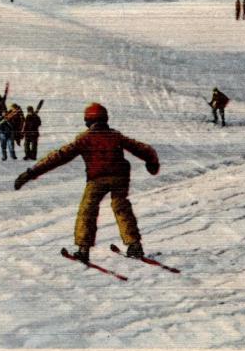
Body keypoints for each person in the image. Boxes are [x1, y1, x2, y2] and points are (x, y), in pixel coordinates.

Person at [14, 103, 160, 263]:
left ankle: (83, 249)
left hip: (97, 178)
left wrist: (31, 173)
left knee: (87, 210)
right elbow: (142, 148)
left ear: (87, 121)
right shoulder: (115, 136)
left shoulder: (84, 139)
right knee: (121, 207)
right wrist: (151, 162)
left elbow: (58, 157)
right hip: (120, 176)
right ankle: (134, 244)